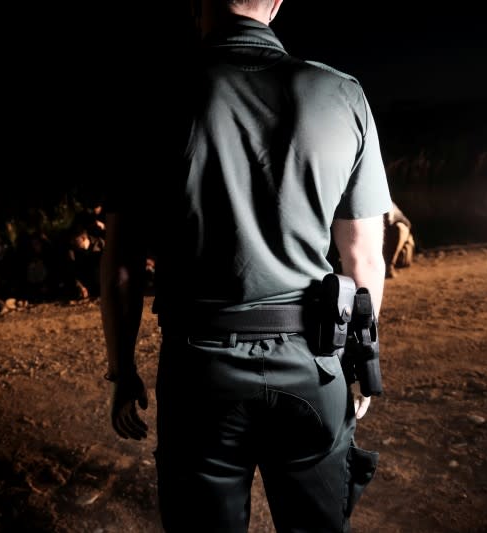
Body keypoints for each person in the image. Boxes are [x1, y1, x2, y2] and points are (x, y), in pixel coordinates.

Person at [100, 1, 392, 531]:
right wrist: (359, 359)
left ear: (197, 4)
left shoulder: (151, 97)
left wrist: (123, 372)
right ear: (276, 3)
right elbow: (364, 258)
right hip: (313, 361)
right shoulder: (341, 94)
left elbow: (121, 265)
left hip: (199, 369)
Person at [383, 201, 414, 278]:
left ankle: (390, 266)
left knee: (401, 228)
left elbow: (389, 220)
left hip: (400, 251)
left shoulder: (385, 203)